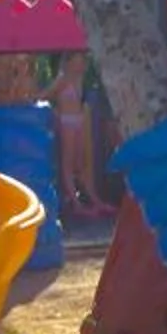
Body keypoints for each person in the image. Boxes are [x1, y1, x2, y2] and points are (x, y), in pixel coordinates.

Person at [50, 53, 107, 219]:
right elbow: (46, 94)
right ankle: (76, 203)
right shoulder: (62, 79)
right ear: (70, 61)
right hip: (67, 121)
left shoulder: (79, 78)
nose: (82, 64)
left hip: (79, 120)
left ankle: (93, 199)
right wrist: (55, 112)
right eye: (79, 60)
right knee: (68, 163)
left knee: (81, 162)